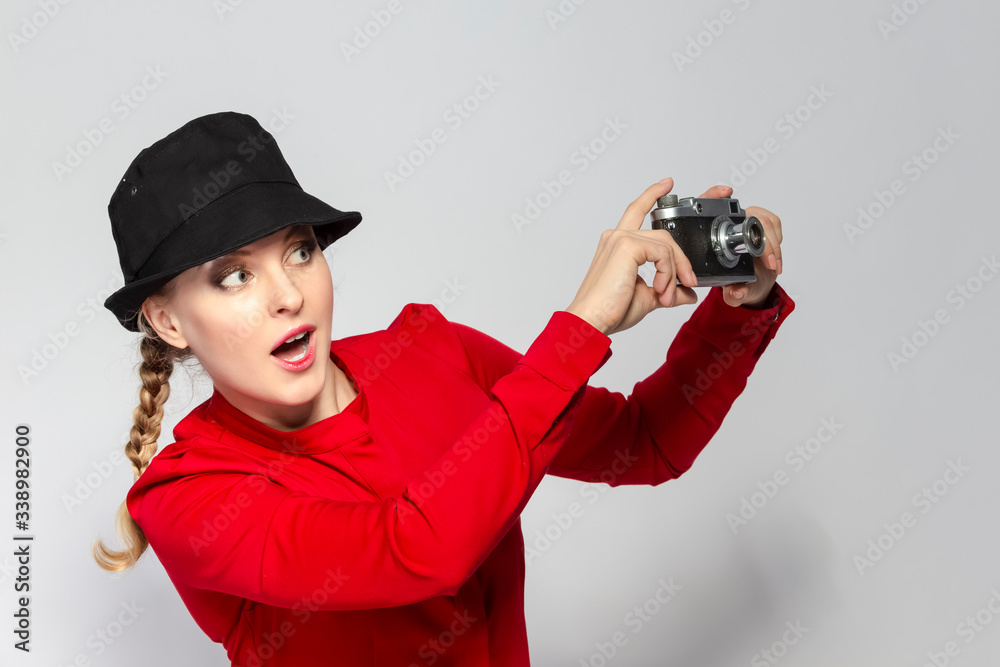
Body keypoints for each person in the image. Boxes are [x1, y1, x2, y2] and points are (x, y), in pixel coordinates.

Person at [92, 111, 794, 666]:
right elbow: (418, 548)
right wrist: (581, 329)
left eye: (300, 251)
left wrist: (743, 303)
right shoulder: (188, 499)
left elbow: (645, 442)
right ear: (167, 320)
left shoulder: (431, 351)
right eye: (235, 275)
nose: (289, 295)